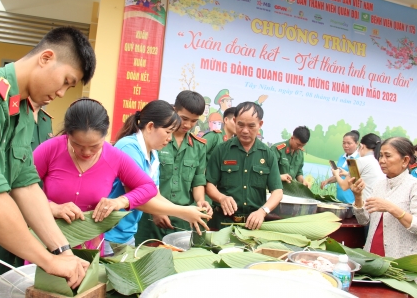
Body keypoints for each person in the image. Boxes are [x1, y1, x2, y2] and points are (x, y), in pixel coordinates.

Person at [0, 26, 96, 296]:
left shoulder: (22, 110)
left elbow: (25, 186)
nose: (63, 93)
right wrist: (48, 260)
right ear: (46, 57)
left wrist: (62, 250)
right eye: (66, 80)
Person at [33, 98, 158, 257]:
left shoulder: (115, 157)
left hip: (88, 246)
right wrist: (50, 207)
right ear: (68, 134)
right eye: (77, 144)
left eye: (94, 146)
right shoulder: (50, 149)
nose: (86, 152)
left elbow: (148, 187)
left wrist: (120, 201)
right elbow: (18, 186)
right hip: (48, 241)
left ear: (105, 136)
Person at [104, 100, 211, 254]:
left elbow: (154, 194)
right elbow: (137, 199)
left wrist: (187, 211)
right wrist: (184, 212)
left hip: (126, 233)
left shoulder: (153, 154)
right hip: (109, 233)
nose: (169, 138)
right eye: (168, 132)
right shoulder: (128, 147)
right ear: (150, 127)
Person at [135, 91, 212, 243]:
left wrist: (200, 201)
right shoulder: (156, 139)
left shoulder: (198, 146)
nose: (188, 125)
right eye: (184, 119)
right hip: (151, 217)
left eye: (194, 121)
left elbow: (198, 181)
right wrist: (155, 212)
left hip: (183, 219)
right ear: (174, 111)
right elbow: (144, 181)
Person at [206, 102, 283, 230]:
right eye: (240, 125)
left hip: (253, 225)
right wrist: (221, 198)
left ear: (260, 124)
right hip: (222, 223)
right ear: (234, 121)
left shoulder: (268, 154)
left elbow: (277, 192)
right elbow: (209, 184)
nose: (245, 131)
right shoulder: (222, 150)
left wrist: (263, 211)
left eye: (251, 126)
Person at [350, 137, 417, 258]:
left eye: (388, 156)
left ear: (405, 160)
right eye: (380, 155)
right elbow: (363, 220)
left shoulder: (413, 186)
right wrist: (358, 196)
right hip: (372, 258)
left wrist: (391, 208)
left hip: (400, 262)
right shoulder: (379, 184)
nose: (382, 160)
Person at [331, 133, 385, 201]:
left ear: (361, 146)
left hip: (365, 205)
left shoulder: (359, 160)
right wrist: (347, 174)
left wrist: (336, 174)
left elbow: (344, 186)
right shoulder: (377, 161)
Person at [321, 130, 360, 203]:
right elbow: (338, 176)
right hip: (339, 199)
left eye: (349, 143)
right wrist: (327, 181)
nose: (346, 145)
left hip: (351, 201)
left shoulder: (359, 159)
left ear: (357, 143)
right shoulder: (341, 157)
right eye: (344, 143)